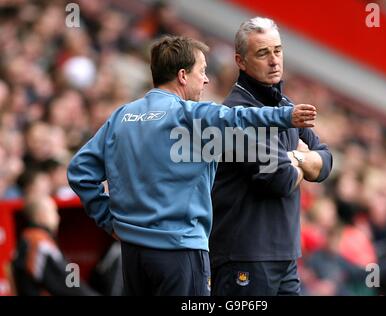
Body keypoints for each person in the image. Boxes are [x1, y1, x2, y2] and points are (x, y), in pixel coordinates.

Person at [67, 35, 318, 296]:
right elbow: (238, 116)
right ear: (183, 75)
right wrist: (285, 115)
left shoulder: (122, 116)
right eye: (203, 71)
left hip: (132, 253)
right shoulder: (190, 116)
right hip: (179, 251)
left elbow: (80, 171)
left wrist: (108, 220)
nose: (207, 79)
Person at [210, 17, 333, 296]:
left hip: (286, 256)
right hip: (243, 257)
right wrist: (303, 158)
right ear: (240, 61)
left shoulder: (288, 107)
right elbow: (279, 178)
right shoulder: (235, 114)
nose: (274, 61)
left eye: (277, 50)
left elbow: (326, 162)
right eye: (263, 53)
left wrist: (294, 158)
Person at [12, 195, 98, 296]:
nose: (58, 217)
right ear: (41, 215)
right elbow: (67, 282)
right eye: (53, 211)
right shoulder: (40, 243)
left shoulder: (28, 236)